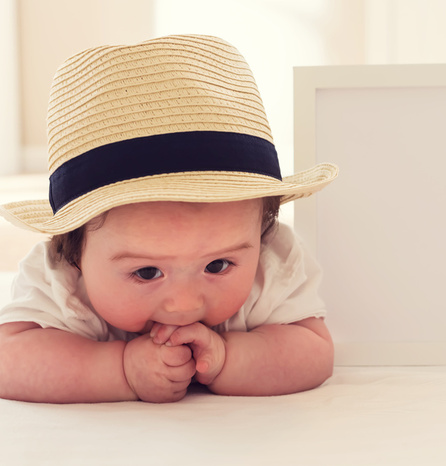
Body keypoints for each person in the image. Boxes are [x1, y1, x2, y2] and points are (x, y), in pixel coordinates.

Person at [0, 34, 338, 403]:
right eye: (147, 272)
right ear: (74, 254)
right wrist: (120, 369)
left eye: (218, 265)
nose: (184, 304)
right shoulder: (59, 280)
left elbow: (313, 351)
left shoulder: (272, 262)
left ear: (262, 232)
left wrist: (228, 359)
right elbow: (9, 360)